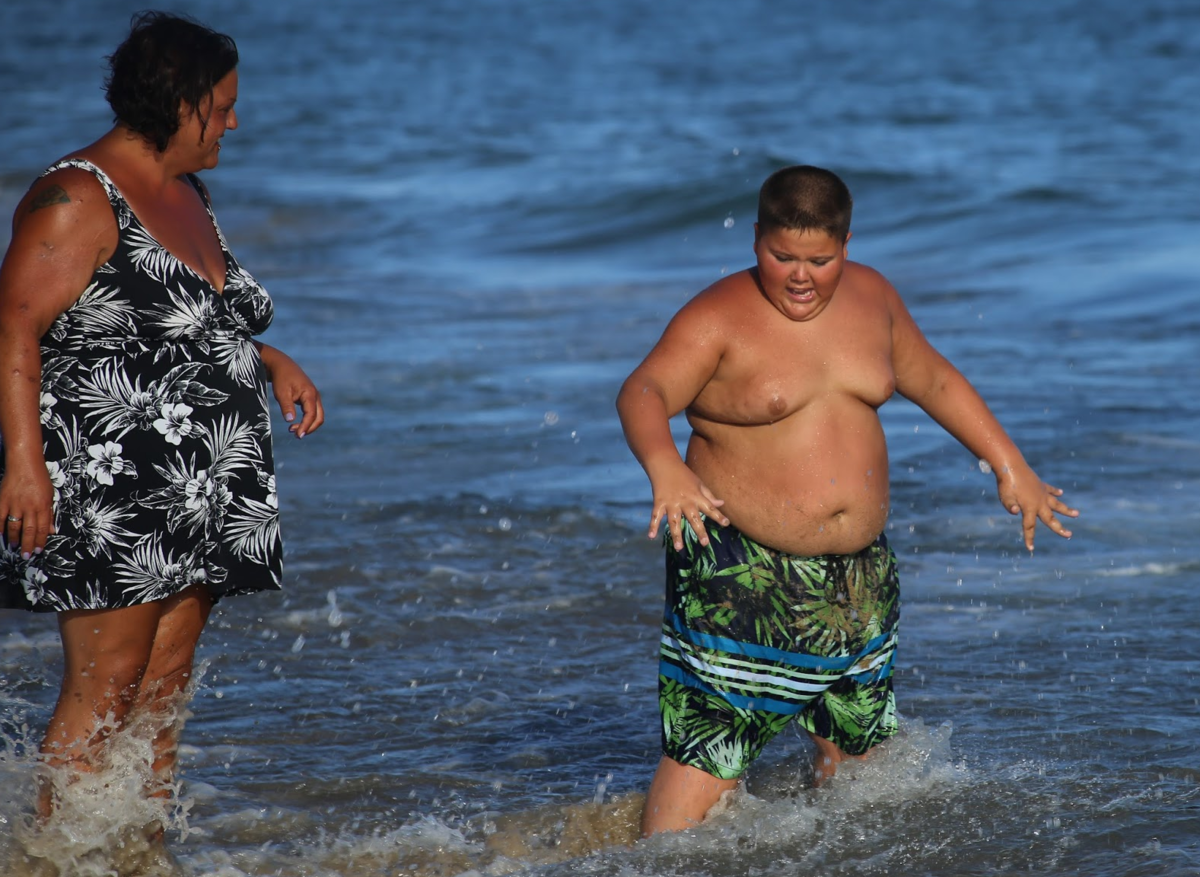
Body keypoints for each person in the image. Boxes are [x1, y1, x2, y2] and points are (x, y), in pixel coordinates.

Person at [616, 165, 1078, 837]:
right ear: (755, 241)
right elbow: (643, 392)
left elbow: (935, 380)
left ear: (846, 245)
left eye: (819, 259)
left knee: (859, 771)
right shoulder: (717, 319)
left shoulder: (872, 299)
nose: (800, 275)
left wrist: (1011, 466)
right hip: (744, 579)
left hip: (858, 585)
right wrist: (665, 468)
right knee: (706, 757)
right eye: (782, 257)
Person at [0, 11, 324, 823]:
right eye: (225, 104)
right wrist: (23, 464)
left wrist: (269, 360)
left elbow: (189, 317)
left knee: (162, 696)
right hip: (117, 484)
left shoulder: (187, 191)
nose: (235, 121)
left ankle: (141, 851)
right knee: (105, 690)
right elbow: (13, 328)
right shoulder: (74, 195)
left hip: (203, 485)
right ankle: (50, 860)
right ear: (181, 104)